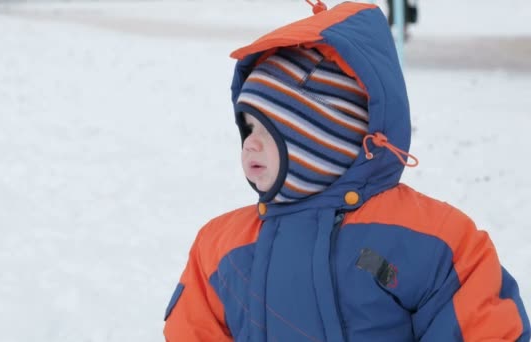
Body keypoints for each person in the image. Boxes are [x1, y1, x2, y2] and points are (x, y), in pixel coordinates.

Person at [163, 1, 530, 341]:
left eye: (268, 129)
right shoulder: (220, 247)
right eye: (247, 128)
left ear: (328, 138)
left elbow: (483, 328)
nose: (249, 144)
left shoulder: (433, 240)